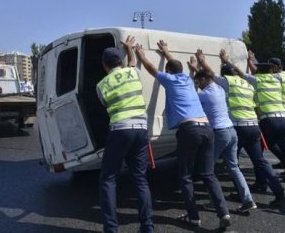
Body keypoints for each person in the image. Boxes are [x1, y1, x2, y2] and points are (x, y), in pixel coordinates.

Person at [135, 40, 231, 230]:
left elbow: (152, 69)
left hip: (189, 130)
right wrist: (167, 52)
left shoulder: (169, 79)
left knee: (185, 175)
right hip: (207, 128)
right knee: (208, 174)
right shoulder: (188, 78)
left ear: (169, 72)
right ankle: (224, 212)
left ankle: (194, 217)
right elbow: (175, 65)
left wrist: (142, 55)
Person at [191, 49, 285, 207]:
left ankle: (236, 197)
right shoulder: (247, 84)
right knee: (259, 160)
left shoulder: (227, 82)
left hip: (238, 127)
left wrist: (201, 61)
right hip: (253, 126)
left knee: (232, 164)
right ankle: (279, 190)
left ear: (225, 75)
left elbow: (209, 75)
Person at [97, 36, 154, 233]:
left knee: (108, 178)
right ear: (120, 62)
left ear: (105, 65)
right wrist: (129, 49)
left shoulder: (101, 85)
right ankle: (147, 227)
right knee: (140, 178)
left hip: (120, 130)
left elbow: (105, 105)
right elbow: (133, 63)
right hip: (140, 129)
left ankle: (112, 228)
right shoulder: (133, 72)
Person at [189, 57, 256, 213]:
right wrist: (197, 70)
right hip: (231, 131)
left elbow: (192, 99)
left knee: (208, 170)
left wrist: (194, 74)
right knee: (233, 167)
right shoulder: (220, 89)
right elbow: (210, 75)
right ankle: (248, 199)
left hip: (219, 133)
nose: (199, 85)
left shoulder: (205, 94)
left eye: (200, 81)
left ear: (204, 79)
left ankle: (216, 202)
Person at [246, 51, 285, 199]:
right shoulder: (279, 79)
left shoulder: (258, 80)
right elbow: (259, 69)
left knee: (258, 154)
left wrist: (249, 60)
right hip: (284, 120)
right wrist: (253, 60)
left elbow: (250, 72)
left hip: (268, 122)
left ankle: (263, 184)